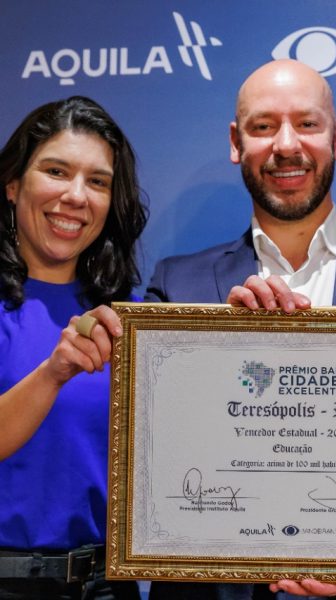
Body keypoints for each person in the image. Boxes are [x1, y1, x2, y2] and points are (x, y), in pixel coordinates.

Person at [147, 59, 336, 600]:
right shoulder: (176, 288)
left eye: (307, 124)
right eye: (263, 126)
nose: (286, 145)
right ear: (236, 143)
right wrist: (217, 349)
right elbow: (155, 460)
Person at [0, 96, 148, 599]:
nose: (76, 196)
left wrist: (241, 328)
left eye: (98, 182)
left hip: (109, 586)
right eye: (56, 172)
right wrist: (52, 373)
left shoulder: (131, 318)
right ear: (13, 184)